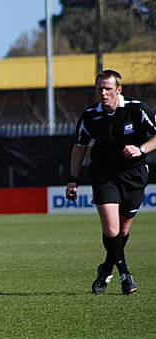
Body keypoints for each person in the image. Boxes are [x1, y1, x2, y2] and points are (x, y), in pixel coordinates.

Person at [66, 69, 156, 295]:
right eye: (100, 89)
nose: (103, 93)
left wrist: (141, 149)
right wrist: (72, 179)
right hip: (104, 176)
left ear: (118, 90)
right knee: (112, 227)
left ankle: (106, 269)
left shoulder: (137, 110)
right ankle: (125, 274)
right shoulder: (90, 116)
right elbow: (79, 147)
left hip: (134, 175)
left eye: (107, 88)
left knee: (123, 229)